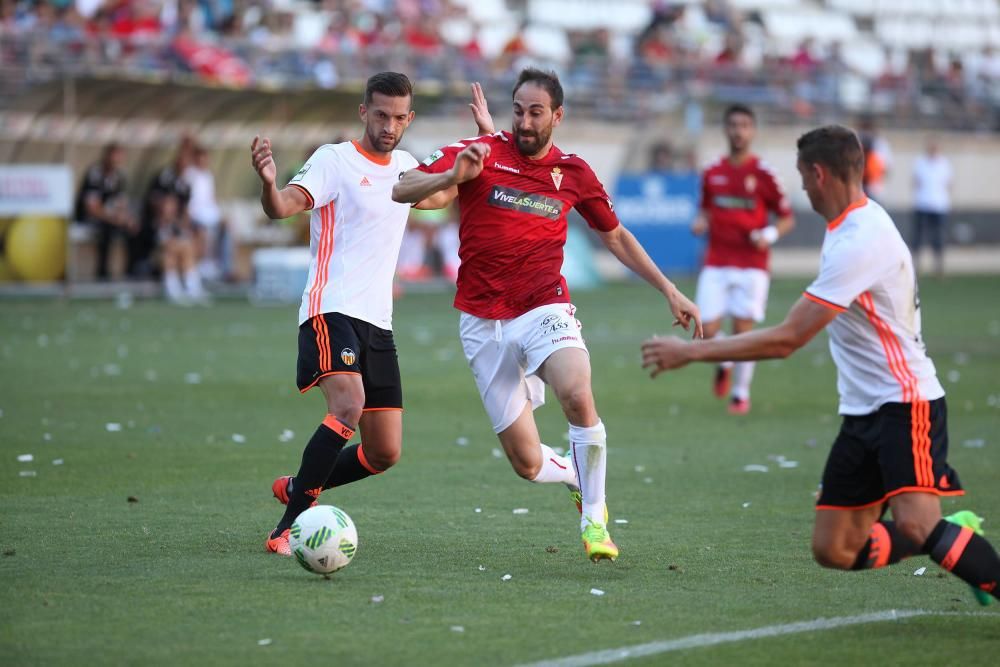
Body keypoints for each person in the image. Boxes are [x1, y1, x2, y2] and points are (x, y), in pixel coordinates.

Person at [641, 125, 998, 606]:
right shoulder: (846, 230)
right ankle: (947, 536)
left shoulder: (862, 239)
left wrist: (692, 352)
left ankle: (947, 539)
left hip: (905, 402)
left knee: (916, 523)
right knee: (834, 548)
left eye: (803, 177)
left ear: (819, 172)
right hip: (863, 412)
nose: (802, 188)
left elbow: (788, 339)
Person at [393, 68, 702, 562]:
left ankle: (596, 519)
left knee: (578, 392)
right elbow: (406, 188)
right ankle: (577, 476)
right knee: (527, 462)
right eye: (518, 110)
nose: (525, 121)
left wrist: (669, 289)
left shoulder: (574, 172)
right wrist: (454, 176)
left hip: (544, 306)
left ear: (557, 115)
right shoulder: (483, 151)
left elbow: (615, 236)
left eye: (536, 112)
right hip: (481, 321)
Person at [250, 72, 490, 556]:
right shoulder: (333, 160)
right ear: (364, 112)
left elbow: (444, 193)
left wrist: (485, 143)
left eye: (399, 117)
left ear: (410, 119)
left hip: (378, 323)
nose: (389, 125)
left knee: (384, 452)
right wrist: (270, 184)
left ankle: (300, 484)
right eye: (380, 114)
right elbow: (282, 207)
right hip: (330, 308)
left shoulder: (405, 167)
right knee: (347, 406)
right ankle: (289, 526)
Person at [691, 104, 794, 415]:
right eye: (733, 125)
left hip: (752, 263)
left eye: (745, 125)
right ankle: (724, 360)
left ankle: (740, 393)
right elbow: (705, 208)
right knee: (705, 329)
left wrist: (769, 235)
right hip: (717, 260)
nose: (739, 131)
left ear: (753, 131)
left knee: (743, 331)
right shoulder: (712, 171)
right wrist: (701, 221)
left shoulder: (764, 174)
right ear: (725, 129)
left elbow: (786, 217)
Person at [75, 142, 134, 280]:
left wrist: (126, 218)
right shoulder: (94, 174)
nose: (117, 161)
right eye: (115, 157)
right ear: (107, 156)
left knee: (133, 228)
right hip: (88, 218)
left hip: (109, 218)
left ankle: (132, 271)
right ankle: (102, 273)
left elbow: (121, 203)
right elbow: (92, 208)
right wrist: (114, 218)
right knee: (107, 228)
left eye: (120, 157)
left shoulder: (119, 177)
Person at [911, 137, 952, 277]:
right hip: (922, 204)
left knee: (938, 237)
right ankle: (917, 266)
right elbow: (915, 181)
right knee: (918, 237)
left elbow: (948, 183)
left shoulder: (944, 163)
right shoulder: (920, 162)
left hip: (939, 205)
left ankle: (938, 267)